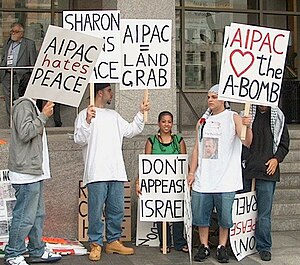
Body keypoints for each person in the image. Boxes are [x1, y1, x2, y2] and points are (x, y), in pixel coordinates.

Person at [74, 83, 150, 261]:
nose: (112, 94)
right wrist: (87, 121)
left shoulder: (114, 115)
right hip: (97, 171)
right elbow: (79, 139)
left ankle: (113, 241)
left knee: (117, 210)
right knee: (95, 211)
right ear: (99, 93)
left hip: (116, 170)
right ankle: (95, 243)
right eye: (109, 90)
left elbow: (131, 130)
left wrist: (141, 113)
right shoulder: (84, 115)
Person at [187, 84, 252, 263]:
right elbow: (197, 149)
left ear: (223, 99)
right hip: (204, 178)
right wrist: (192, 171)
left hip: (226, 179)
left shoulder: (233, 117)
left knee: (225, 216)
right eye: (208, 97)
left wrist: (247, 126)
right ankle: (204, 245)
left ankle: (222, 246)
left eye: (214, 97)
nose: (210, 100)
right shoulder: (202, 121)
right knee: (201, 215)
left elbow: (246, 141)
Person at [4, 72, 62, 265]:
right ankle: (14, 252)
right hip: (25, 172)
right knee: (25, 216)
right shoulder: (23, 105)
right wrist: (44, 117)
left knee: (37, 215)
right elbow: (26, 132)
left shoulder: (30, 106)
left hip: (33, 171)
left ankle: (36, 249)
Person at [135, 111, 188, 254]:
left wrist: (189, 178)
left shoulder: (179, 140)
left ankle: (179, 242)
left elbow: (184, 162)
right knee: (161, 211)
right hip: (158, 185)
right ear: (159, 123)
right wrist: (139, 180)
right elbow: (146, 164)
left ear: (172, 123)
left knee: (177, 212)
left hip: (175, 184)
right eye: (163, 121)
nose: (166, 124)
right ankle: (164, 242)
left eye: (169, 121)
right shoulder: (151, 140)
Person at [241, 105, 289, 262]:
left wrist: (276, 159)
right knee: (243, 211)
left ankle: (264, 247)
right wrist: (244, 125)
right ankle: (241, 244)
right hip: (247, 169)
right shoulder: (246, 114)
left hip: (268, 170)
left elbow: (283, 143)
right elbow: (239, 141)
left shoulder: (278, 117)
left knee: (263, 214)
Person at [0, 22, 37, 118]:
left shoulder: (29, 44)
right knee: (8, 99)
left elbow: (33, 61)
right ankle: (11, 121)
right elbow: (4, 57)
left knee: (19, 99)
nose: (13, 33)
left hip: (20, 75)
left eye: (16, 31)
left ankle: (20, 120)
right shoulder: (8, 43)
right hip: (7, 75)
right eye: (12, 31)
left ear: (21, 33)